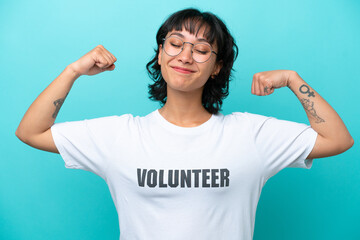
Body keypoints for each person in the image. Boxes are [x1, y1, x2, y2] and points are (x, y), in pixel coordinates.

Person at [15, 8, 353, 240]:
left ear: (218, 67)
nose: (186, 56)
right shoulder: (120, 135)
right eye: (176, 44)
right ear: (161, 54)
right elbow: (30, 131)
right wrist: (73, 70)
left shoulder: (250, 134)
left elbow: (338, 139)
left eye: (202, 49)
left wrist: (294, 80)